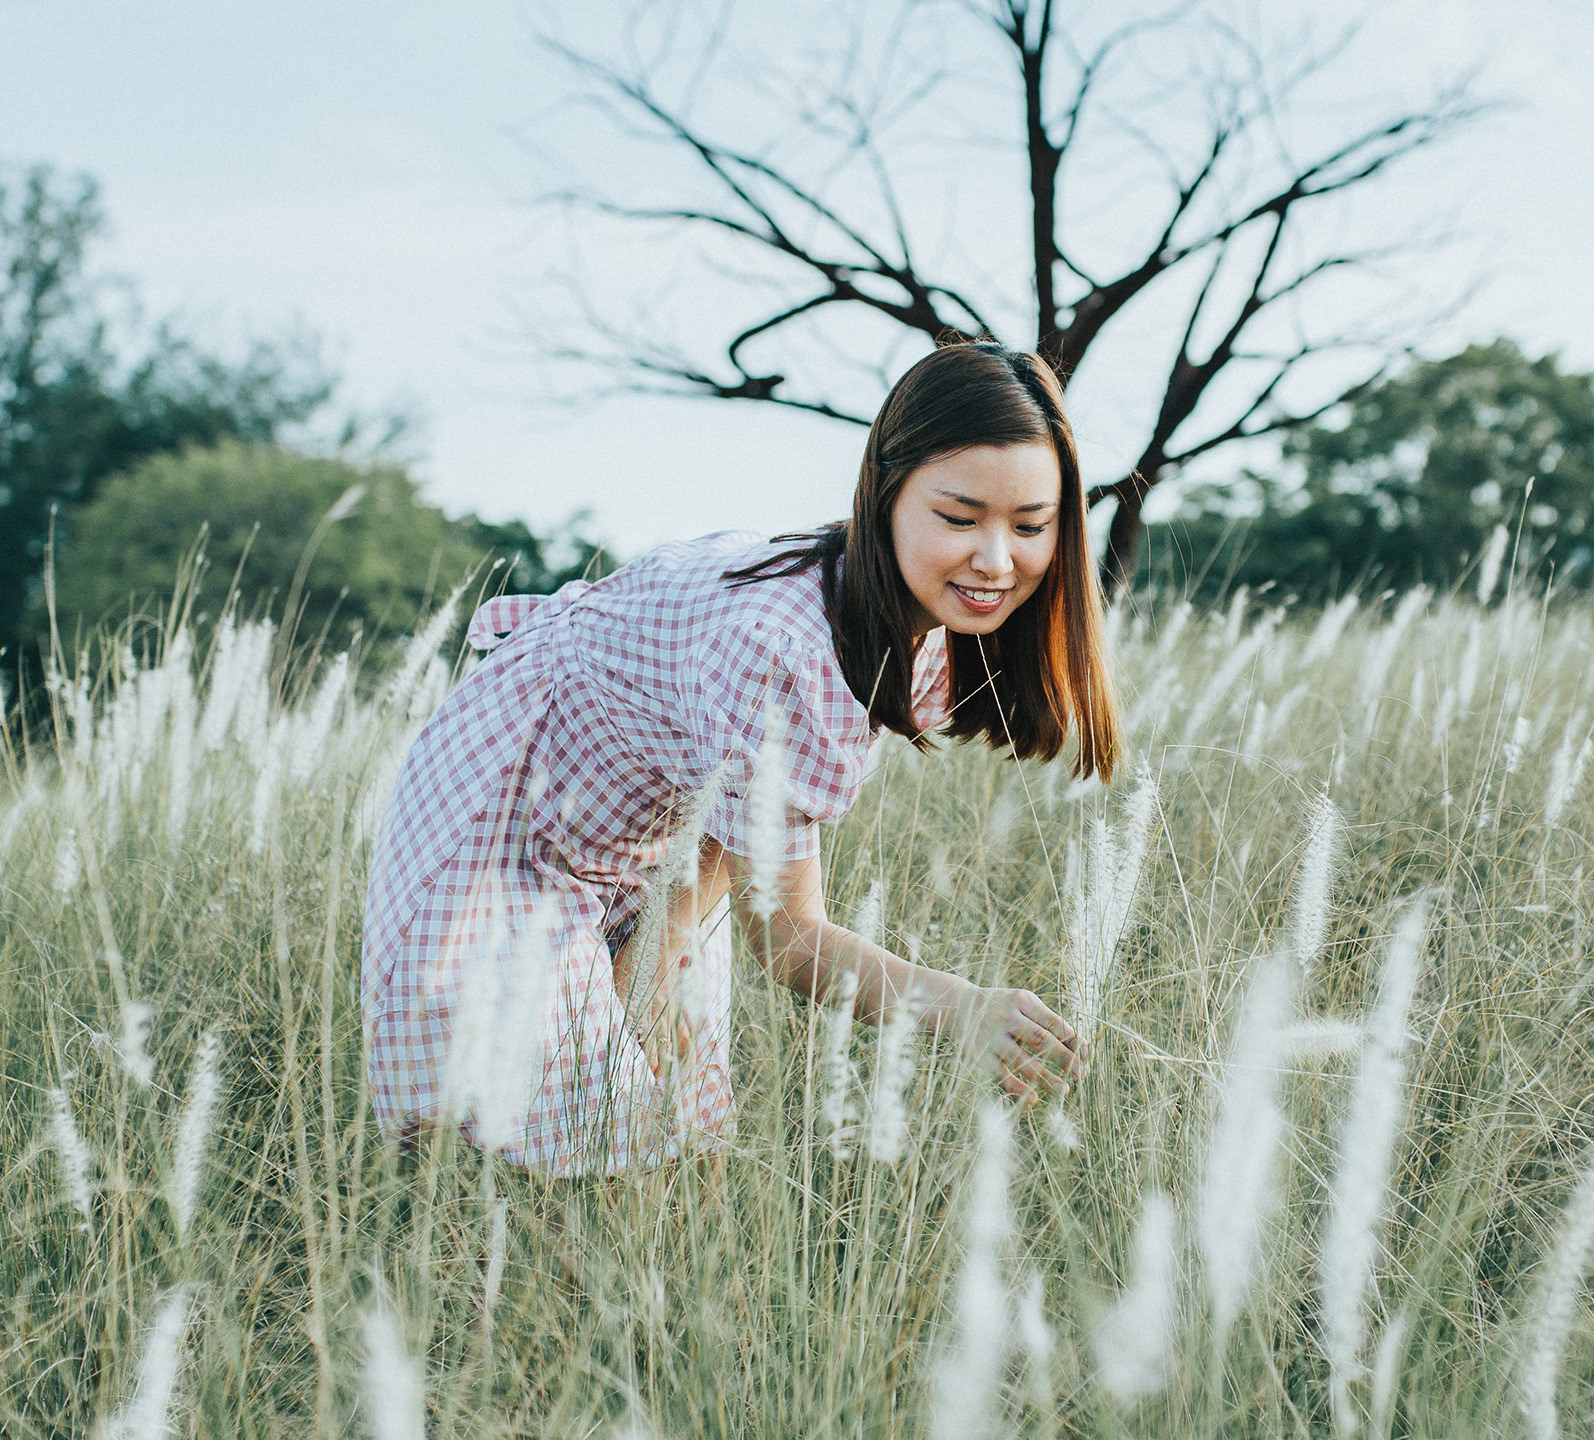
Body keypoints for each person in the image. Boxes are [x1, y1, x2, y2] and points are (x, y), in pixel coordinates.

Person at [360, 340, 1123, 1178]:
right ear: (885, 492)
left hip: (654, 835)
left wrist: (661, 943)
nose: (997, 559)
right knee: (522, 1126)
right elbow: (789, 936)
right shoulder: (780, 647)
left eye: (1030, 526)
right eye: (960, 518)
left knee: (674, 1130)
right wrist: (962, 1008)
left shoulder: (926, 631)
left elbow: (726, 812)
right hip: (517, 812)